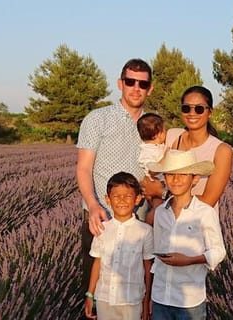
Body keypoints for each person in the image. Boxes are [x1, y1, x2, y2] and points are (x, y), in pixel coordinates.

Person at [76, 58, 154, 300]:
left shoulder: (153, 123)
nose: (136, 88)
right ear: (120, 83)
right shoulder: (97, 119)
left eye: (142, 84)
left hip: (138, 218)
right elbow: (83, 168)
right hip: (100, 214)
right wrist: (92, 205)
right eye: (130, 81)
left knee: (135, 285)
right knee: (97, 285)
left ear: (150, 89)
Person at [146, 150, 226, 319]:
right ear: (165, 178)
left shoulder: (204, 213)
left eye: (183, 174)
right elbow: (157, 251)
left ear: (195, 179)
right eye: (170, 174)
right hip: (160, 296)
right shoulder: (160, 212)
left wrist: (189, 260)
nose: (176, 180)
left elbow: (218, 251)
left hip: (189, 300)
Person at [142, 86, 233, 225]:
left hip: (197, 227)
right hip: (166, 223)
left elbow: (208, 201)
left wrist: (161, 193)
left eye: (199, 109)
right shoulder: (173, 136)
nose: (192, 113)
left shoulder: (221, 150)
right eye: (186, 108)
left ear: (210, 112)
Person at [84, 172, 154, 320]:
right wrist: (90, 294)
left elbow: (148, 266)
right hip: (104, 298)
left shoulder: (145, 231)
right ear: (107, 199)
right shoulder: (102, 229)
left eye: (128, 196)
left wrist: (147, 300)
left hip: (132, 300)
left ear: (137, 199)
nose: (122, 200)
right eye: (116, 196)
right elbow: (97, 262)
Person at [137, 113, 167, 179]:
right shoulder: (147, 152)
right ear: (158, 134)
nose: (166, 132)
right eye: (165, 130)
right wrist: (166, 157)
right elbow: (152, 171)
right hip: (155, 185)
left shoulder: (159, 146)